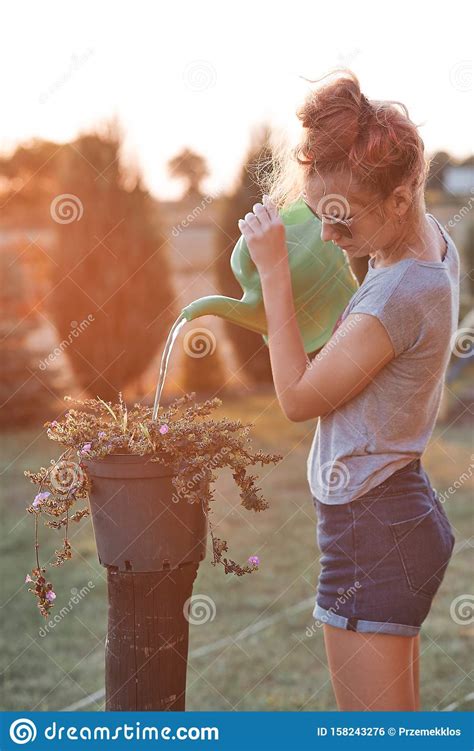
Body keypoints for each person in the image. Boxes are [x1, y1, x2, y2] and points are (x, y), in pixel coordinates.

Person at [237, 70, 460, 711]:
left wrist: (275, 273)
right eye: (320, 217)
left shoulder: (400, 292)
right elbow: (362, 323)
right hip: (395, 513)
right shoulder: (424, 251)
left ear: (398, 198)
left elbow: (299, 400)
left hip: (372, 529)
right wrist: (340, 239)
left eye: (341, 221)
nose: (330, 237)